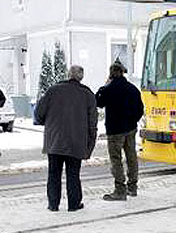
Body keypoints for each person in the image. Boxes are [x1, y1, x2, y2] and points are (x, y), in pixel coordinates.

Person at [34, 65, 97, 212]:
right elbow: (92, 124)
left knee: (53, 173)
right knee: (73, 174)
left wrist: (49, 123)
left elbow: (38, 114)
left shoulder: (53, 90)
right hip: (76, 142)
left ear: (68, 75)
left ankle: (53, 204)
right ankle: (74, 204)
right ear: (81, 77)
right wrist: (90, 145)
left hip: (54, 141)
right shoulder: (87, 95)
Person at [96, 63, 144, 201]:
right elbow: (140, 109)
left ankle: (120, 190)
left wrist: (103, 87)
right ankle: (132, 187)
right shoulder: (132, 89)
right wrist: (132, 121)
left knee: (116, 159)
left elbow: (97, 102)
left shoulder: (109, 89)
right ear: (122, 73)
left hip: (115, 130)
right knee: (131, 157)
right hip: (130, 129)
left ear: (111, 74)